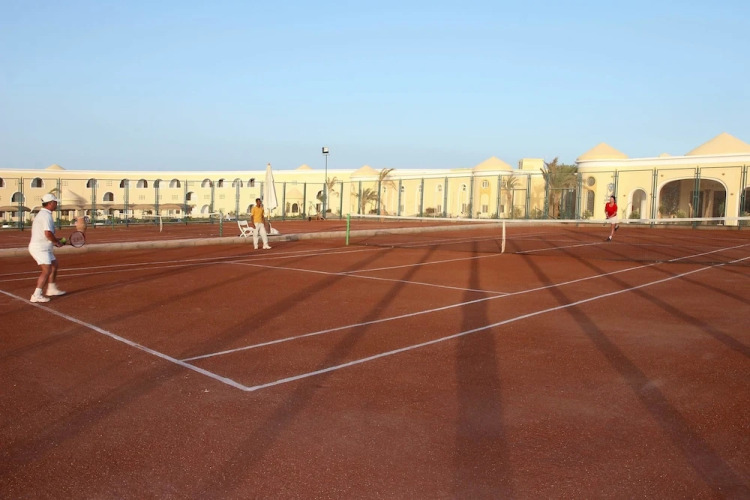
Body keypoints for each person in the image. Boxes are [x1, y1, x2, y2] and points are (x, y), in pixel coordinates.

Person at [28, 193, 66, 302]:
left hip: (44, 247)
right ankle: (36, 295)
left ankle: (51, 289)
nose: (57, 204)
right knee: (47, 270)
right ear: (50, 203)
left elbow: (47, 235)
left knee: (54, 265)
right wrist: (56, 242)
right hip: (39, 248)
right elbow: (48, 233)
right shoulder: (46, 216)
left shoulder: (44, 214)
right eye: (55, 202)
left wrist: (57, 240)